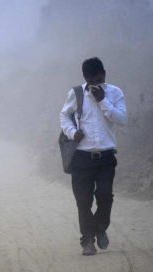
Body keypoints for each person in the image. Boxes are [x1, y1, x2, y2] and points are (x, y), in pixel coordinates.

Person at [60, 57, 127, 256]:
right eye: (90, 82)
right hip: (81, 157)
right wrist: (72, 132)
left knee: (105, 197)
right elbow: (64, 115)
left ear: (104, 73)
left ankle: (100, 228)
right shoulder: (76, 93)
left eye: (97, 80)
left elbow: (122, 119)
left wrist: (103, 100)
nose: (94, 85)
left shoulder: (115, 93)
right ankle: (87, 241)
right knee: (83, 201)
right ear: (85, 78)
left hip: (106, 157)